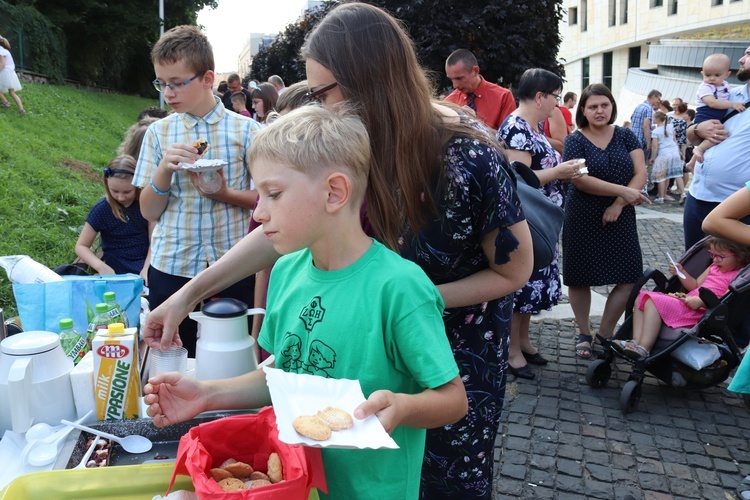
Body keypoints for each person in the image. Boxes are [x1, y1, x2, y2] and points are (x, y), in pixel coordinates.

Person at [141, 4, 533, 498]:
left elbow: (515, 270)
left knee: (442, 484)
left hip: (452, 357)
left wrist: (399, 300)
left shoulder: (467, 155)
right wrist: (187, 295)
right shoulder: (352, 145)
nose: (321, 105)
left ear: (369, 78)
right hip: (358, 350)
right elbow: (289, 230)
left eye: (324, 92)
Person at [145, 105, 469, 499]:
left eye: (274, 194)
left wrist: (402, 407)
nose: (259, 212)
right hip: (298, 486)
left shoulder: (399, 288)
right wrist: (208, 394)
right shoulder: (286, 271)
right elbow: (285, 371)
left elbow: (453, 399)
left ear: (334, 192)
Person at [133, 25, 261, 358]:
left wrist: (224, 193)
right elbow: (148, 212)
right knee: (173, 356)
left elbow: (266, 203)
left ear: (206, 78)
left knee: (232, 356)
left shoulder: (247, 131)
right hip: (173, 264)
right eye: (161, 83)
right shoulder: (159, 134)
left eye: (177, 83)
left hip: (232, 264)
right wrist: (164, 170)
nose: (168, 93)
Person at [497, 68, 583, 379]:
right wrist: (561, 173)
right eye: (556, 97)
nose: (557, 104)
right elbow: (519, 177)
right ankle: (511, 349)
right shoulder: (517, 128)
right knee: (524, 284)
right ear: (539, 97)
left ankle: (523, 341)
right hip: (527, 221)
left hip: (540, 220)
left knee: (533, 285)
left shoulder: (531, 126)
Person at [562, 83, 650, 358]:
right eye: (593, 107)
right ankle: (584, 332)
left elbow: (641, 172)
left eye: (604, 105)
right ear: (583, 111)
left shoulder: (625, 135)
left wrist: (619, 202)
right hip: (582, 215)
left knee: (629, 276)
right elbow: (580, 179)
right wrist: (622, 191)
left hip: (620, 214)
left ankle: (605, 334)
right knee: (579, 277)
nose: (599, 111)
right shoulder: (575, 139)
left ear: (612, 106)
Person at [615, 236, 750, 359]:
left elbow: (725, 301)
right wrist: (681, 272)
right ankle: (635, 342)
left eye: (720, 256)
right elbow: (695, 285)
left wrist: (702, 302)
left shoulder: (738, 277)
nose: (715, 259)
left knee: (652, 302)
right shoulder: (714, 267)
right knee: (641, 297)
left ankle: (644, 348)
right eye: (713, 254)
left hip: (700, 311)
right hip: (687, 301)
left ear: (739, 256)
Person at [683, 45, 750, 251]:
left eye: (748, 54)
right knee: (693, 267)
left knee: (730, 277)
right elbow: (690, 136)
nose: (740, 59)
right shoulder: (727, 94)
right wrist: (698, 128)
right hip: (697, 196)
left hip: (735, 210)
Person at [75, 155, 152, 281]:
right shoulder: (102, 209)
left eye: (127, 192)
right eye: (115, 191)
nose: (121, 197)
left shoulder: (145, 204)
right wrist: (101, 266)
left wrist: (146, 268)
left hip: (145, 266)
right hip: (116, 271)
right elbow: (81, 246)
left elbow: (154, 240)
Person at [687, 53, 746, 166]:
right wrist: (732, 105)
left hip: (717, 115)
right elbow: (712, 103)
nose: (712, 78)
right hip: (707, 115)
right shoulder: (706, 87)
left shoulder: (726, 87)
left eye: (717, 75)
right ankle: (698, 150)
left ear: (727, 75)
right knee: (718, 135)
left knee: (716, 136)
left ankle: (692, 162)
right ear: (702, 74)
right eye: (707, 75)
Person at [444, 48, 516, 130]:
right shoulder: (449, 102)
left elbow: (507, 139)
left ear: (476, 70)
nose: (455, 85)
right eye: (451, 79)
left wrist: (476, 123)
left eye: (459, 78)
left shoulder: (503, 97)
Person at [649, 110, 684, 203]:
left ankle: (661, 197)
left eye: (653, 118)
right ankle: (683, 193)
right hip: (674, 152)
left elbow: (655, 146)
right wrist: (679, 151)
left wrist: (653, 157)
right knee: (677, 174)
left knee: (661, 176)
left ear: (657, 119)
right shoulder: (670, 127)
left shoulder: (655, 131)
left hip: (664, 153)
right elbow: (675, 140)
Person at [630, 89, 662, 162]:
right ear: (654, 96)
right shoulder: (649, 108)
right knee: (642, 165)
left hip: (633, 140)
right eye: (658, 99)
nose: (659, 102)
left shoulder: (639, 106)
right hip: (641, 142)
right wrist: (648, 143)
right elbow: (646, 126)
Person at [0, 35, 26, 116]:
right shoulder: (5, 50)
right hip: (11, 73)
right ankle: (21, 109)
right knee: (12, 92)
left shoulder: (1, 51)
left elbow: (3, 64)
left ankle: (5, 102)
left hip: (5, 72)